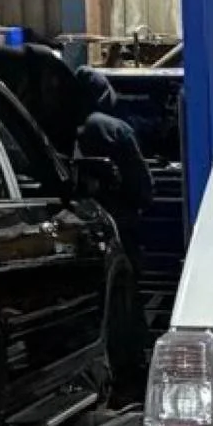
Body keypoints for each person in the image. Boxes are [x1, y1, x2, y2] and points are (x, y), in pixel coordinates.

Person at [74, 66, 153, 275]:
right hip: (119, 230)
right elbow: (142, 186)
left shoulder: (60, 126)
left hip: (76, 230)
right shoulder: (115, 129)